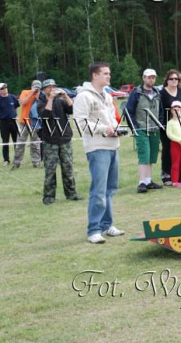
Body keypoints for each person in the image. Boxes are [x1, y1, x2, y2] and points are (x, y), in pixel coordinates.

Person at [73, 62, 124, 244]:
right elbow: (81, 124)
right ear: (95, 75)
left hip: (112, 146)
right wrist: (105, 129)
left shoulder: (107, 96)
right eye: (105, 73)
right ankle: (93, 229)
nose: (109, 76)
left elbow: (111, 118)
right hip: (97, 148)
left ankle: (107, 225)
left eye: (109, 73)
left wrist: (118, 129)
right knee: (99, 191)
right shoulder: (84, 97)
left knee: (110, 189)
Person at [37, 79, 81, 205]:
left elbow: (72, 109)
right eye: (49, 87)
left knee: (68, 168)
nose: (52, 89)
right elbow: (45, 115)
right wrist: (50, 99)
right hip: (50, 141)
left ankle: (71, 194)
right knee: (50, 170)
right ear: (44, 90)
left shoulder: (61, 102)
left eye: (53, 87)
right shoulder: (41, 103)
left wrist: (65, 95)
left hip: (65, 138)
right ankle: (49, 197)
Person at [126, 69, 164, 193]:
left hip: (154, 128)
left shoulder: (157, 92)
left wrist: (160, 124)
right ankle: (141, 182)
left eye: (153, 77)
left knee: (152, 155)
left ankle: (148, 180)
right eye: (148, 77)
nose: (151, 79)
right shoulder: (136, 93)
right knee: (144, 154)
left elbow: (161, 110)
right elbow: (128, 111)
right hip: (141, 128)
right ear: (143, 78)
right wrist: (135, 128)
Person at [159, 70, 181, 185]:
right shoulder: (162, 93)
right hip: (168, 125)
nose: (174, 81)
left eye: (176, 79)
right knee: (168, 150)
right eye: (171, 79)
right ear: (167, 80)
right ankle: (167, 176)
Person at [12, 80, 42, 170]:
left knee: (35, 144)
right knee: (20, 143)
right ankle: (17, 163)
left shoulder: (41, 94)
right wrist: (31, 93)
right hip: (23, 122)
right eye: (35, 87)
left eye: (38, 87)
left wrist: (38, 96)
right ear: (31, 86)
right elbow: (23, 102)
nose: (36, 89)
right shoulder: (25, 92)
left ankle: (36, 162)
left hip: (35, 123)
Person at [0, 83, 19, 165]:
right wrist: (1, 118)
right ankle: (6, 160)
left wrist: (14, 116)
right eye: (2, 88)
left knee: (16, 141)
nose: (4, 89)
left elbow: (16, 108)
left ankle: (17, 158)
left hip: (13, 121)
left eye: (5, 87)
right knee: (5, 141)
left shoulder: (13, 97)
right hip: (4, 122)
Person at [166, 101, 181, 187]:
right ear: (172, 111)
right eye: (174, 110)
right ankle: (175, 181)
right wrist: (178, 140)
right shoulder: (170, 123)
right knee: (175, 162)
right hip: (175, 144)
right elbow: (169, 134)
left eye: (178, 109)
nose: (176, 111)